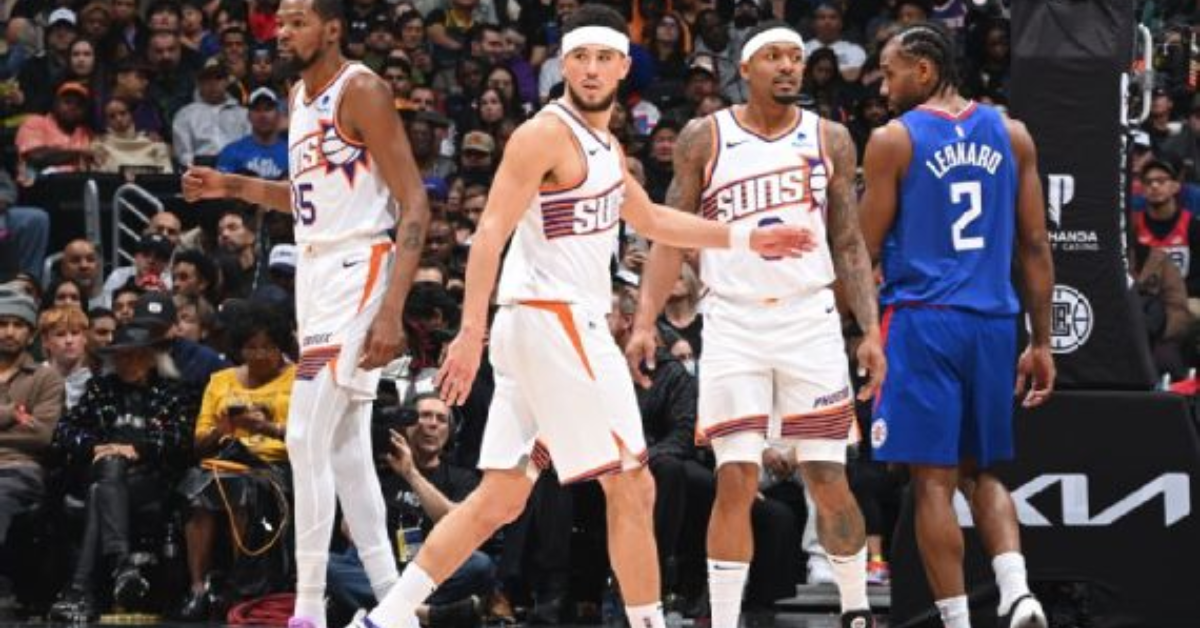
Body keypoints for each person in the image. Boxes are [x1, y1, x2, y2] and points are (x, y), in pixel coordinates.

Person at [364, 6, 812, 628]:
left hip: (543, 329)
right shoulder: (544, 134)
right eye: (580, 58)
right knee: (633, 483)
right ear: (563, 64)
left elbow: (651, 219)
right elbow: (489, 233)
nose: (592, 69)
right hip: (554, 321)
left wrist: (745, 237)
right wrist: (469, 331)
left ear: (624, 66)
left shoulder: (606, 147)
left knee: (500, 498)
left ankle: (384, 618)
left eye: (604, 58)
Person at [181, 0, 432, 624]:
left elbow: (415, 203)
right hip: (317, 273)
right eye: (280, 22)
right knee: (346, 450)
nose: (283, 32)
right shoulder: (298, 96)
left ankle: (310, 610)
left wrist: (392, 311)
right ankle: (396, 608)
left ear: (332, 28)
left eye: (297, 21)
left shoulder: (362, 90)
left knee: (302, 435)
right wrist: (232, 186)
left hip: (359, 268)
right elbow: (305, 197)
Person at [628, 21, 883, 628]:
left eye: (795, 57)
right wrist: (643, 322)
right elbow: (668, 235)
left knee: (828, 474)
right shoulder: (705, 136)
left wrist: (871, 330)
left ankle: (855, 609)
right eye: (774, 56)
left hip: (809, 318)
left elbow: (849, 241)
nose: (789, 66)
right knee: (736, 477)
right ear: (744, 68)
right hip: (734, 321)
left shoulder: (830, 137)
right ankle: (723, 618)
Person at [858, 23, 1055, 628]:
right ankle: (1017, 591)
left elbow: (860, 250)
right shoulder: (1012, 133)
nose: (883, 87)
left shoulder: (893, 140)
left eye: (890, 73)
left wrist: (862, 329)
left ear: (923, 70)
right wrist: (1042, 342)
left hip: (924, 322)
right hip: (994, 323)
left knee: (933, 482)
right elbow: (1035, 246)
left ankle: (956, 621)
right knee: (982, 471)